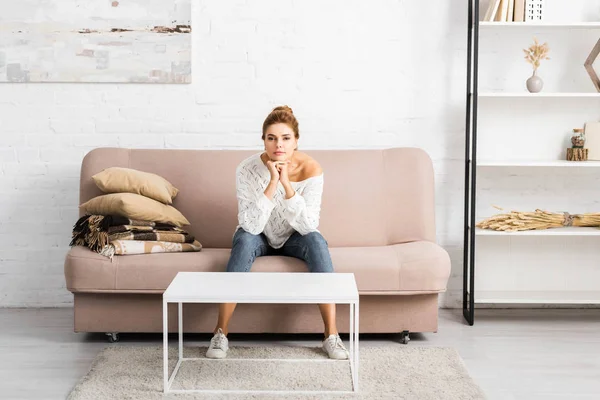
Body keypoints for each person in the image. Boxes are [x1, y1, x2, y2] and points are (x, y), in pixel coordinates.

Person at [205, 105, 349, 360]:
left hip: (294, 236)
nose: (278, 145)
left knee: (316, 241)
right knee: (245, 240)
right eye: (271, 138)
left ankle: (331, 335)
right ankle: (220, 333)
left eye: (285, 138)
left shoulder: (312, 170)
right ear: (263, 141)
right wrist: (272, 183)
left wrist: (287, 185)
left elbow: (308, 225)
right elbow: (250, 225)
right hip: (258, 233)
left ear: (296, 142)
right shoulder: (247, 169)